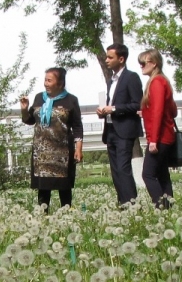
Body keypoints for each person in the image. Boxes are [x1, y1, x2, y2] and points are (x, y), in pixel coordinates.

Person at [20, 67, 83, 212]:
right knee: (43, 188)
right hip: (41, 152)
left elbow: (77, 126)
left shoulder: (71, 100)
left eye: (49, 80)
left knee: (64, 188)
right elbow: (29, 120)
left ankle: (67, 215)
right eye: (45, 80)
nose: (46, 84)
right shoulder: (38, 98)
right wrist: (24, 109)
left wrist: (78, 148)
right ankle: (43, 218)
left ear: (60, 83)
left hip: (63, 152)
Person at [97, 43, 143, 206]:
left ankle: (131, 203)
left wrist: (114, 109)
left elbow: (138, 104)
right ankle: (122, 203)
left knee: (123, 168)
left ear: (121, 59)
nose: (106, 60)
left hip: (125, 130)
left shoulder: (131, 77)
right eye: (106, 57)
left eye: (110, 57)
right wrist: (104, 111)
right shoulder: (110, 81)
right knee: (115, 170)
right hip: (110, 130)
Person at [138, 48, 177, 209]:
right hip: (166, 136)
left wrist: (153, 140)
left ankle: (161, 207)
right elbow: (172, 110)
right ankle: (169, 208)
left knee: (148, 174)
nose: (141, 66)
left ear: (153, 63)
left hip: (159, 138)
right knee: (162, 175)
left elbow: (159, 111)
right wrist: (145, 112)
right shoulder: (163, 81)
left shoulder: (156, 82)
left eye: (143, 63)